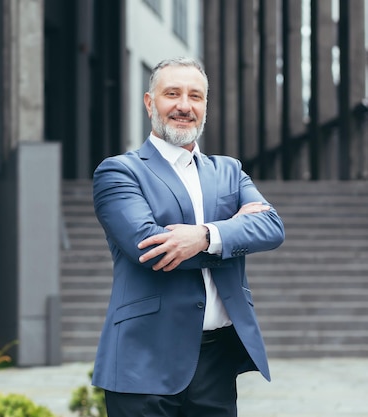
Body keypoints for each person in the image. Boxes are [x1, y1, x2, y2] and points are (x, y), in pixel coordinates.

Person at [91, 56, 285, 417]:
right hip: (143, 361)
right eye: (172, 94)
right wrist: (232, 232)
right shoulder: (120, 172)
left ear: (206, 106)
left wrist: (205, 236)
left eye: (195, 96)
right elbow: (148, 247)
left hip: (217, 362)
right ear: (151, 103)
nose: (184, 106)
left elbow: (271, 227)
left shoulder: (229, 170)